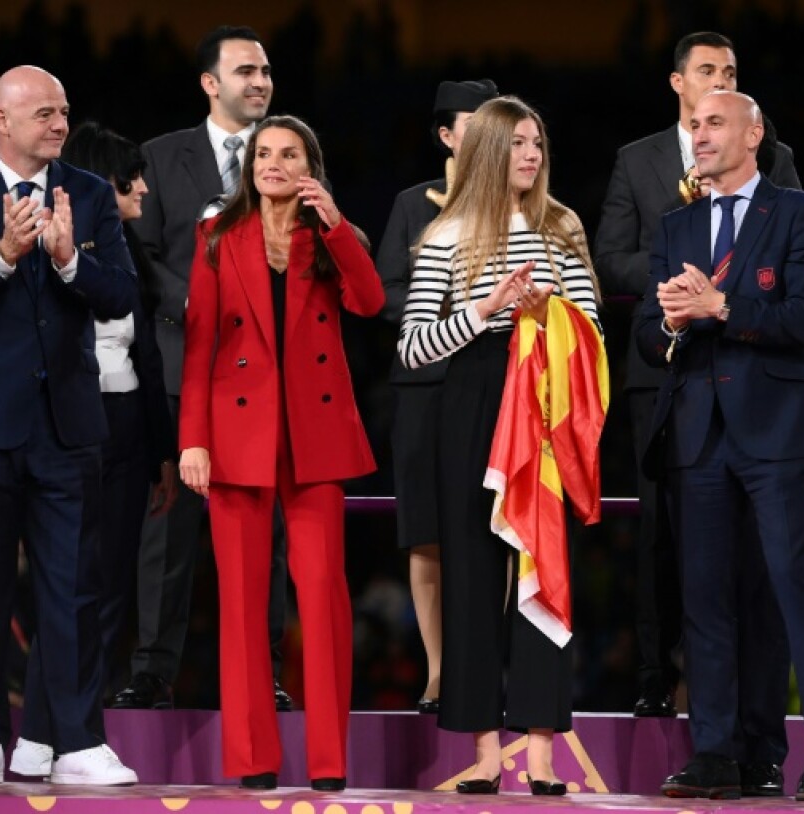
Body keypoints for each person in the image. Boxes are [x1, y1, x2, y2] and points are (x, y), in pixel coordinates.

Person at [0, 65, 138, 785]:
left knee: (73, 586)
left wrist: (70, 260)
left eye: (64, 111)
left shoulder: (93, 195)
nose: (60, 124)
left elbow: (122, 294)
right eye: (43, 113)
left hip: (67, 423)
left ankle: (75, 741)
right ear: (1, 122)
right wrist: (3, 256)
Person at [594, 29, 797, 796]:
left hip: (758, 386)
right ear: (678, 84)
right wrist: (672, 279)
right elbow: (609, 256)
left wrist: (723, 293)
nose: (720, 82)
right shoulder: (638, 160)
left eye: (732, 74)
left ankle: (759, 742)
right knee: (669, 550)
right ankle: (661, 687)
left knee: (761, 573)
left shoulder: (771, 158)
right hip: (669, 379)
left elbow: (797, 251)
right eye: (707, 72)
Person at [634, 90, 804, 802]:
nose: (699, 133)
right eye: (693, 124)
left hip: (777, 430)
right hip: (697, 431)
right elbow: (645, 332)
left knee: (792, 586)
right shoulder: (676, 225)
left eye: (714, 122)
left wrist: (721, 307)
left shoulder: (801, 213)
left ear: (754, 133)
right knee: (705, 599)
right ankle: (720, 751)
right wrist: (668, 323)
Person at [399, 96, 602, 796]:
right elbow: (415, 346)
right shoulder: (445, 234)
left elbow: (594, 328)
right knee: (473, 572)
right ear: (486, 150)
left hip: (542, 400)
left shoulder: (563, 225)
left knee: (542, 567)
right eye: (518, 143)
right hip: (473, 398)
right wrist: (486, 310)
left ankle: (541, 753)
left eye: (539, 142)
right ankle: (486, 752)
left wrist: (549, 314)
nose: (532, 155)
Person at [179, 115, 382, 791]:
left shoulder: (330, 236)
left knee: (322, 596)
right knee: (240, 603)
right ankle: (252, 759)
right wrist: (193, 441)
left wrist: (336, 223)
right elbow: (200, 346)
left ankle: (328, 762)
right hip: (236, 438)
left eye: (287, 153)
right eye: (263, 153)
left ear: (309, 166)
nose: (271, 163)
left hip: (315, 435)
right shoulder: (215, 237)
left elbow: (370, 301)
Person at [123, 24, 293, 712]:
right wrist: (193, 297)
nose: (260, 82)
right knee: (166, 535)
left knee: (264, 539)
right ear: (210, 83)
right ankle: (153, 672)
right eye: (246, 71)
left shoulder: (289, 156)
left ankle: (261, 674)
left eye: (266, 71)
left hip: (263, 381)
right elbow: (137, 252)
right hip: (176, 370)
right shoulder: (160, 159)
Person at [8, 121, 180, 780]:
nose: (141, 187)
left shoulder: (129, 248)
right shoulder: (43, 237)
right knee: (72, 584)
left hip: (131, 426)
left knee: (106, 589)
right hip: (76, 422)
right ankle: (46, 735)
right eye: (127, 178)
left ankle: (63, 734)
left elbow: (150, 357)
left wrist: (161, 454)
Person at [375, 77, 498, 714]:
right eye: (471, 125)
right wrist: (455, 312)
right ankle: (438, 671)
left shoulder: (520, 201)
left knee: (496, 528)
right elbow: (385, 290)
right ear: (447, 135)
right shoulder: (410, 205)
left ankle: (486, 664)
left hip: (495, 384)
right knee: (426, 532)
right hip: (425, 384)